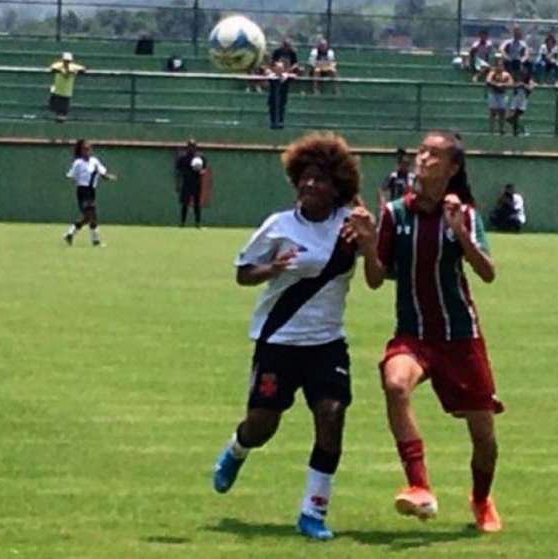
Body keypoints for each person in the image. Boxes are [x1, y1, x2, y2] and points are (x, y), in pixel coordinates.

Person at [343, 132, 504, 533]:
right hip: (413, 334)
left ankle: (481, 499)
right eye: (422, 151)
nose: (423, 158)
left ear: (452, 168)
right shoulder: (396, 214)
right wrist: (366, 244)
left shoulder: (464, 214)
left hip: (460, 337)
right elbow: (377, 279)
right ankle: (419, 485)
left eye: (434, 154)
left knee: (484, 438)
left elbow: (487, 273)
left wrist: (459, 232)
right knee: (395, 384)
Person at [211, 132, 362, 541]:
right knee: (263, 425)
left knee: (331, 417)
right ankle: (237, 449)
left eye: (321, 179)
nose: (311, 185)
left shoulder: (351, 225)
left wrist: (369, 240)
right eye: (305, 178)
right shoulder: (278, 226)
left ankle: (313, 511)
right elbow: (243, 272)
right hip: (279, 341)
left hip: (327, 343)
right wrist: (273, 269)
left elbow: (380, 274)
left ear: (338, 186)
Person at [63, 139, 117, 247]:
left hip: (92, 191)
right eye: (84, 149)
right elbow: (72, 176)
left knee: (88, 217)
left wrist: (109, 177)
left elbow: (102, 173)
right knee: (92, 214)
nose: (87, 151)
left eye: (89, 149)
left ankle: (70, 234)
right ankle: (96, 241)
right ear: (81, 151)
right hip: (83, 191)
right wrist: (79, 182)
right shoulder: (78, 163)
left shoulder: (95, 161)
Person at [175, 139, 207, 228]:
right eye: (190, 146)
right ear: (187, 147)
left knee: (197, 204)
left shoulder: (200, 157)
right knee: (184, 203)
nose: (191, 148)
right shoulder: (183, 157)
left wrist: (201, 171)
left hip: (196, 183)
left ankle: (198, 223)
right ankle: (182, 223)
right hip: (186, 183)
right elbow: (178, 170)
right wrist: (178, 183)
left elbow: (204, 169)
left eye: (193, 146)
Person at [48, 52, 86, 123]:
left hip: (66, 93)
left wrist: (74, 71)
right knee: (53, 108)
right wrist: (61, 71)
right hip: (57, 91)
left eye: (68, 61)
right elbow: (52, 68)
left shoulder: (73, 67)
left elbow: (83, 69)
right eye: (65, 60)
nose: (66, 62)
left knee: (62, 116)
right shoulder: (58, 65)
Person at [486, 55, 514, 135]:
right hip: (493, 94)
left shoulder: (506, 74)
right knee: (493, 112)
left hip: (503, 95)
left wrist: (503, 85)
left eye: (501, 65)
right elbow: (488, 81)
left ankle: (501, 129)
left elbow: (511, 83)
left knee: (502, 112)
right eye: (498, 65)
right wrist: (496, 84)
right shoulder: (492, 73)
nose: (500, 67)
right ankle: (491, 130)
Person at [267, 60, 298, 129]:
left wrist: (288, 75)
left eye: (281, 68)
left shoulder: (285, 76)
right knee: (272, 111)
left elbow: (294, 76)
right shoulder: (271, 76)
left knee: (281, 110)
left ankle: (281, 125)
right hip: (272, 97)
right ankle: (273, 125)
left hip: (283, 97)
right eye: (278, 68)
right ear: (274, 68)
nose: (279, 70)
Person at [506, 69, 534, 136]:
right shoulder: (518, 81)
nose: (522, 76)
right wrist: (518, 84)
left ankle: (520, 130)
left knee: (514, 117)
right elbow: (512, 86)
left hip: (523, 101)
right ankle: (518, 131)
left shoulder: (530, 81)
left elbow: (531, 88)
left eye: (524, 74)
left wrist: (524, 85)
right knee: (510, 118)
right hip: (515, 101)